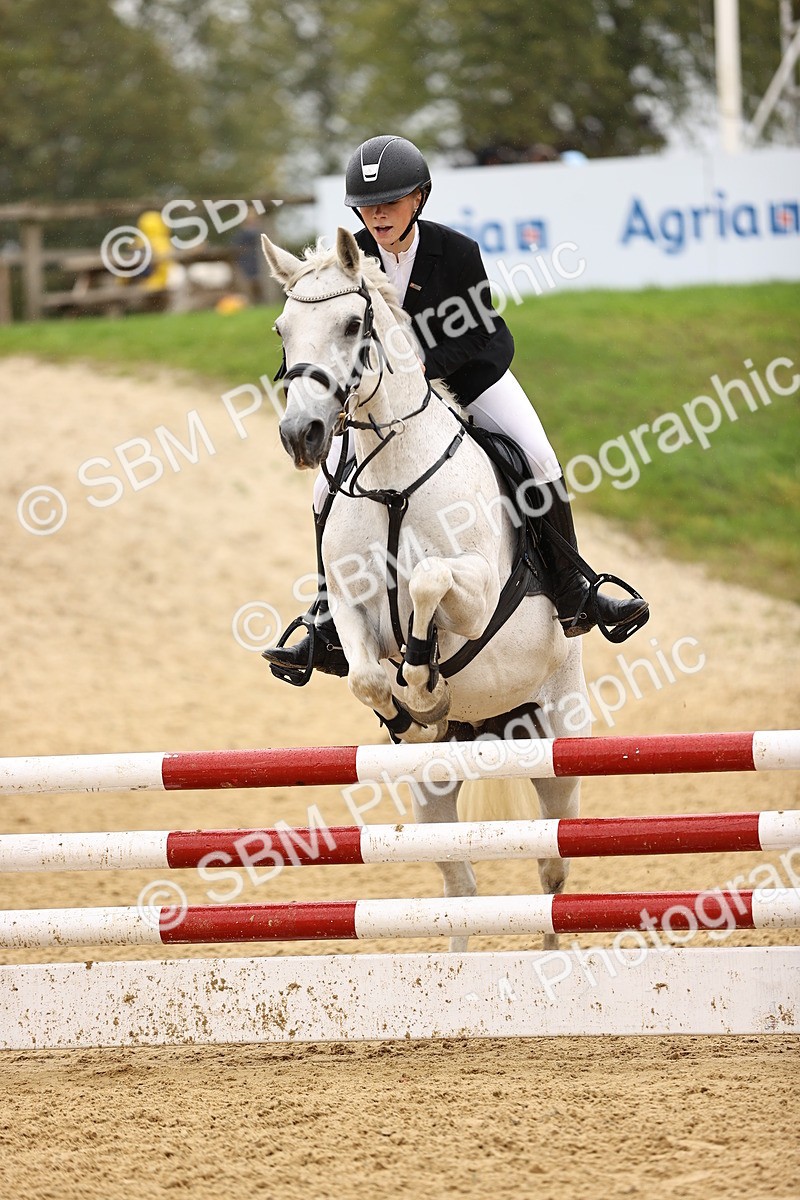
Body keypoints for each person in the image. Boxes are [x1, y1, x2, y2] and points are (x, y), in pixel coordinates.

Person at [265, 135, 648, 680]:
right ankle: (328, 618)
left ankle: (575, 591)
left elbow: (481, 330)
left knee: (538, 457)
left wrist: (425, 365)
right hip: (384, 397)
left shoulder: (456, 252)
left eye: (390, 202)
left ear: (419, 198)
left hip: (471, 375)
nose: (378, 214)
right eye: (368, 206)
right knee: (326, 483)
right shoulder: (351, 261)